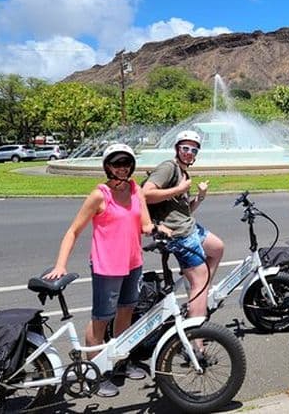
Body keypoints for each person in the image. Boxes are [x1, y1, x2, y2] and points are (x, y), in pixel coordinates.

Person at [44, 143, 156, 397]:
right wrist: (61, 264)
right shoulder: (100, 195)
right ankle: (95, 373)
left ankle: (119, 362)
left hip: (133, 263)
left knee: (125, 313)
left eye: (126, 163)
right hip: (107, 267)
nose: (122, 168)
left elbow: (145, 224)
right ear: (108, 167)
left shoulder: (135, 189)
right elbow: (73, 231)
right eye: (117, 164)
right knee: (101, 320)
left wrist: (161, 230)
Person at [142, 130, 225, 320]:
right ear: (177, 148)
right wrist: (179, 188)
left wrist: (200, 197)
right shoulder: (168, 168)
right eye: (185, 148)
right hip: (179, 235)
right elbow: (145, 194)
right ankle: (196, 331)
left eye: (194, 150)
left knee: (217, 248)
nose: (189, 153)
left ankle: (199, 294)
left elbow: (184, 211)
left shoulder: (182, 172)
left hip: (189, 227)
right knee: (200, 280)